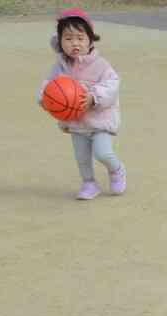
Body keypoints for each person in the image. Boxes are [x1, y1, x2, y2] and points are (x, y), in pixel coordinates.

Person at [37, 8, 127, 201]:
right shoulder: (60, 66)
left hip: (100, 120)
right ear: (60, 42)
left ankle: (116, 169)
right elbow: (48, 86)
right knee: (82, 158)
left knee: (103, 153)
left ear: (90, 40)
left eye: (80, 38)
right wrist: (44, 99)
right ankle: (89, 183)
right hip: (76, 122)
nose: (75, 43)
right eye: (68, 38)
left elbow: (112, 84)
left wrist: (93, 97)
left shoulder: (101, 64)